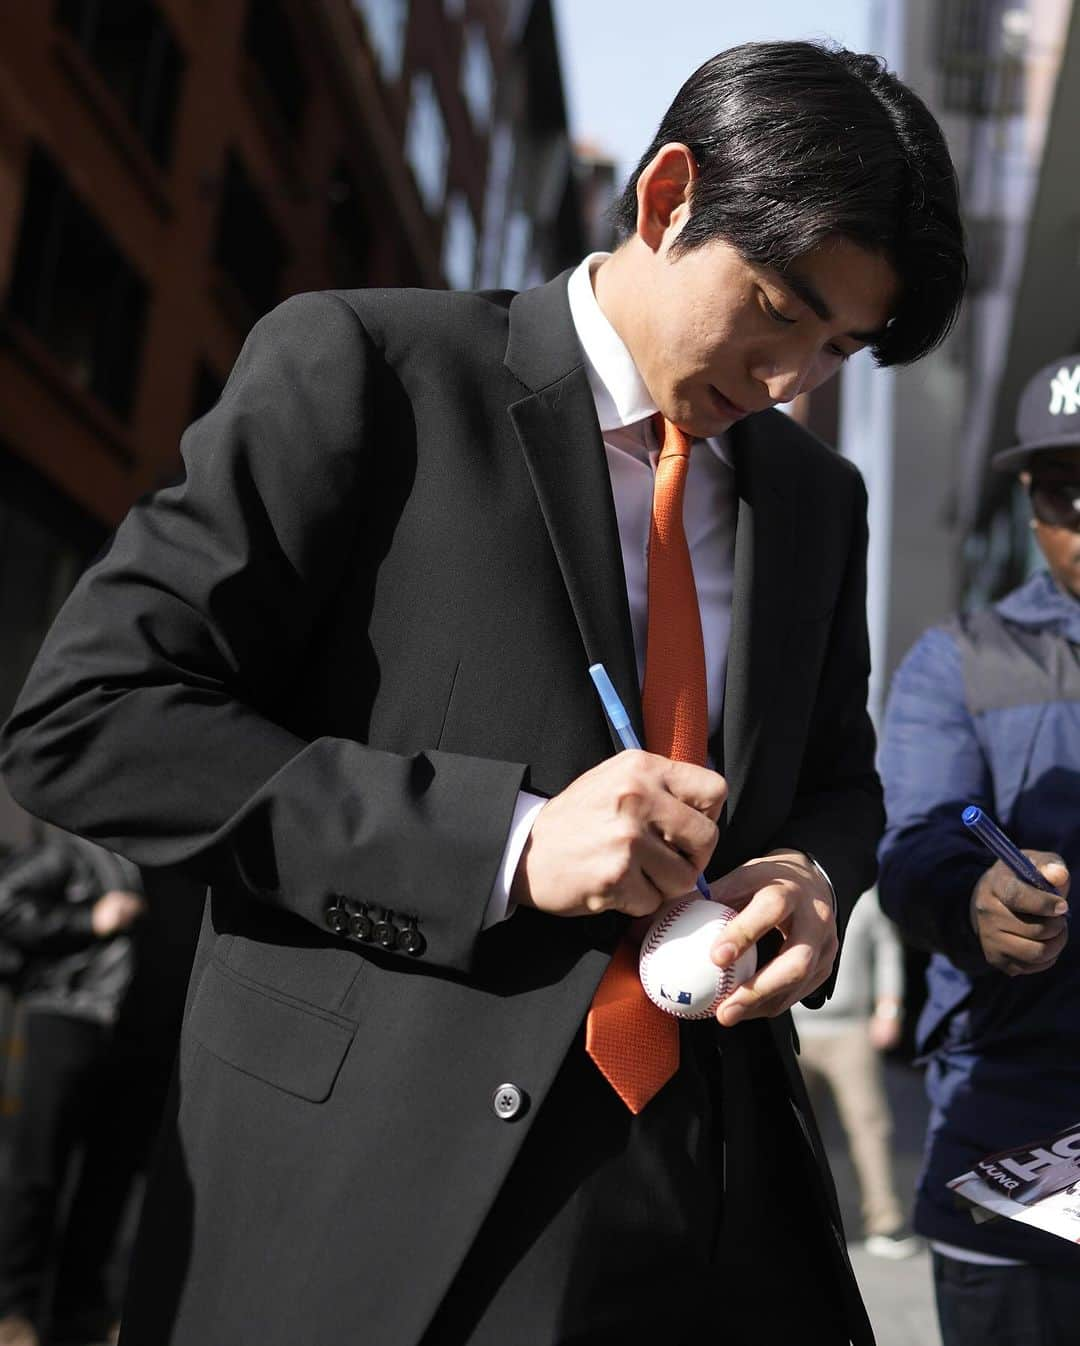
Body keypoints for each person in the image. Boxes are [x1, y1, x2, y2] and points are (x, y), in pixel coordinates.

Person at [0, 41, 965, 1346]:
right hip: (380, 1197)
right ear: (667, 194)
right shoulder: (365, 370)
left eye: (841, 348)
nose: (793, 380)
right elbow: (92, 715)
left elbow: (840, 779)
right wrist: (505, 843)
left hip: (715, 1204)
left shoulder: (813, 499)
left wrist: (807, 872)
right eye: (782, 309)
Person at [878, 352, 1080, 1346]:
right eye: (1064, 489)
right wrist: (978, 905)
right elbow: (916, 850)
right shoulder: (959, 658)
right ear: (1030, 498)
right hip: (1024, 1131)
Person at [0, 831, 145, 1346]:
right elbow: (5, 902)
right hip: (64, 1017)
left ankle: (76, 1309)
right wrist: (89, 918)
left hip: (129, 1032)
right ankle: (13, 1310)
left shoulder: (161, 861)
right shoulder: (70, 849)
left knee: (108, 1179)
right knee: (39, 1168)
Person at [792, 889, 920, 1259]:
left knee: (869, 1124)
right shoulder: (774, 880)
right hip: (790, 1027)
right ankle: (797, 1222)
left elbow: (887, 950)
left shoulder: (861, 895)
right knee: (793, 1130)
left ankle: (884, 1221)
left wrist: (890, 1008)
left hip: (850, 1028)